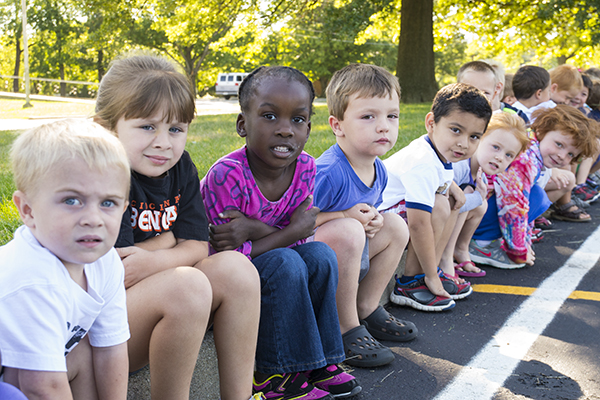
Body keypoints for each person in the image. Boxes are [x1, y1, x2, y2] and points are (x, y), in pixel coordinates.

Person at [94, 54, 262, 400]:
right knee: (187, 286)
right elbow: (121, 270)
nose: (163, 142)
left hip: (147, 311)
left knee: (237, 268)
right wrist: (172, 242)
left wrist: (156, 253)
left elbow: (198, 246)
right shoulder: (102, 176)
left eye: (175, 129)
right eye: (147, 127)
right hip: (101, 334)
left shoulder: (180, 167)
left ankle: (241, 396)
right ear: (105, 128)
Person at [201, 66, 361, 400]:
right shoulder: (226, 176)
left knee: (318, 255)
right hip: (228, 287)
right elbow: (228, 255)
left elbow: (303, 238)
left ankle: (320, 363)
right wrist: (288, 232)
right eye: (270, 116)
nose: (286, 130)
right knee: (286, 262)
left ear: (309, 128)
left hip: (268, 267)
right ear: (243, 125)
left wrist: (255, 228)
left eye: (298, 120)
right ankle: (273, 374)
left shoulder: (305, 168)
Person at [0, 119, 131, 399]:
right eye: (72, 200)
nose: (93, 219)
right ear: (28, 210)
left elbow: (111, 348)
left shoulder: (104, 262)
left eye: (108, 203)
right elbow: (41, 386)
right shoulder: (31, 278)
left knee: (81, 349)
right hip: (14, 379)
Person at [311, 64, 416, 368]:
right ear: (338, 125)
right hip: (316, 272)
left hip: (352, 259)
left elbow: (367, 218)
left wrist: (374, 220)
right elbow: (296, 226)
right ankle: (343, 328)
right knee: (349, 230)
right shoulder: (327, 172)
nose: (384, 126)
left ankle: (366, 307)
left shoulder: (378, 169)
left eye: (391, 116)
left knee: (396, 225)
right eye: (369, 116)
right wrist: (345, 216)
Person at [379, 83, 492, 311]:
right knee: (440, 204)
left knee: (449, 200)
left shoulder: (438, 152)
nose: (464, 143)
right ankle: (412, 280)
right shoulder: (422, 161)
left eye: (474, 137)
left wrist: (452, 187)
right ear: (431, 123)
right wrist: (431, 276)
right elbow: (419, 224)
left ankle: (429, 272)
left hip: (393, 214)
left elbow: (438, 178)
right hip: (379, 219)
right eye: (456, 130)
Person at [470, 105, 599, 268]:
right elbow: (513, 206)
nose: (562, 155)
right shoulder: (526, 160)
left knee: (536, 195)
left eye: (571, 154)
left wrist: (525, 239)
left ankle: (485, 239)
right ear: (544, 130)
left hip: (475, 207)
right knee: (538, 197)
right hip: (472, 212)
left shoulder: (533, 148)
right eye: (559, 144)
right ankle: (481, 244)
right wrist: (518, 251)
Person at [440, 113, 530, 278]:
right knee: (467, 194)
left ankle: (460, 249)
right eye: (495, 147)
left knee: (481, 203)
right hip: (411, 212)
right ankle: (444, 257)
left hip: (436, 215)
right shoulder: (459, 164)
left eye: (509, 155)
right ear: (479, 139)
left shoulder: (478, 171)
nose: (500, 157)